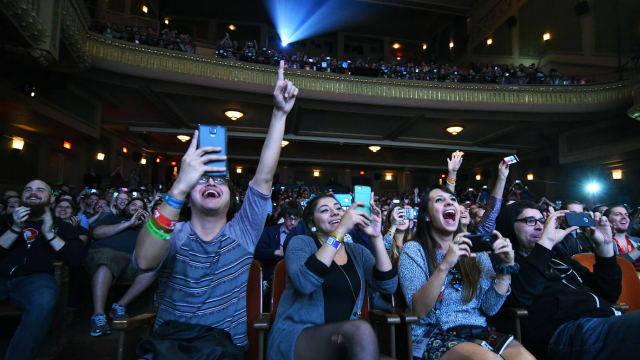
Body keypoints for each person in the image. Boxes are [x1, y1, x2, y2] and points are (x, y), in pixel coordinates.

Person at [133, 61, 298, 352]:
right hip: (170, 346)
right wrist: (180, 186)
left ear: (233, 196)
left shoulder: (243, 231)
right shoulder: (174, 232)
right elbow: (145, 261)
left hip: (224, 349)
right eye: (202, 179)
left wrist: (279, 114)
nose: (211, 183)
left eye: (220, 180)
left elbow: (264, 176)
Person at [399, 185, 532, 360]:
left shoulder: (475, 249)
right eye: (440, 200)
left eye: (453, 200)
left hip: (478, 332)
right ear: (427, 215)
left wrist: (505, 268)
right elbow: (420, 311)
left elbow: (490, 308)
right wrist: (445, 265)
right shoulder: (414, 249)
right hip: (433, 334)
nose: (449, 203)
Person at [495, 201, 640, 360]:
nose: (539, 227)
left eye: (542, 221)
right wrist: (546, 243)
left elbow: (608, 293)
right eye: (530, 221)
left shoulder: (557, 254)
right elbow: (521, 296)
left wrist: (604, 245)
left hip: (602, 321)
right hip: (563, 334)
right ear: (509, 225)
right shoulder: (504, 260)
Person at [267, 193, 397, 360]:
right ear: (312, 222)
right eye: (325, 210)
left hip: (345, 340)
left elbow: (389, 286)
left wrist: (376, 237)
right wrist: (340, 231)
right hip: (299, 337)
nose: (335, 213)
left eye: (338, 209)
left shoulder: (357, 251)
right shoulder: (301, 243)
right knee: (361, 330)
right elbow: (305, 283)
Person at [0, 180, 86, 360]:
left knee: (45, 299)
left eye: (40, 191)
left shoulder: (62, 227)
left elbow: (77, 259)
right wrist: (16, 228)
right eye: (28, 189)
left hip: (35, 280)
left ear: (50, 201)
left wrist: (49, 233)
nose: (33, 193)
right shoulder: (4, 221)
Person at [86, 198, 155, 336]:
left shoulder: (146, 225)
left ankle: (119, 306)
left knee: (154, 267)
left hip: (133, 259)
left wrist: (148, 226)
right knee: (106, 260)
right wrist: (129, 223)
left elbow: (154, 248)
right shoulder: (114, 217)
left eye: (141, 206)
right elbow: (97, 233)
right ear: (126, 207)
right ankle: (98, 315)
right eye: (134, 204)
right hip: (107, 252)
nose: (137, 208)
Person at [254, 200, 303, 284]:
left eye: (296, 219)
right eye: (289, 218)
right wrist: (277, 252)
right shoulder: (270, 231)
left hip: (296, 279)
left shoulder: (303, 234)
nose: (292, 223)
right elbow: (257, 252)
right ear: (283, 217)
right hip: (273, 277)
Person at [604, 206, 640, 273]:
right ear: (607, 220)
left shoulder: (637, 241)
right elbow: (615, 265)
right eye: (618, 214)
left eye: (626, 215)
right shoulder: (603, 244)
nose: (624, 217)